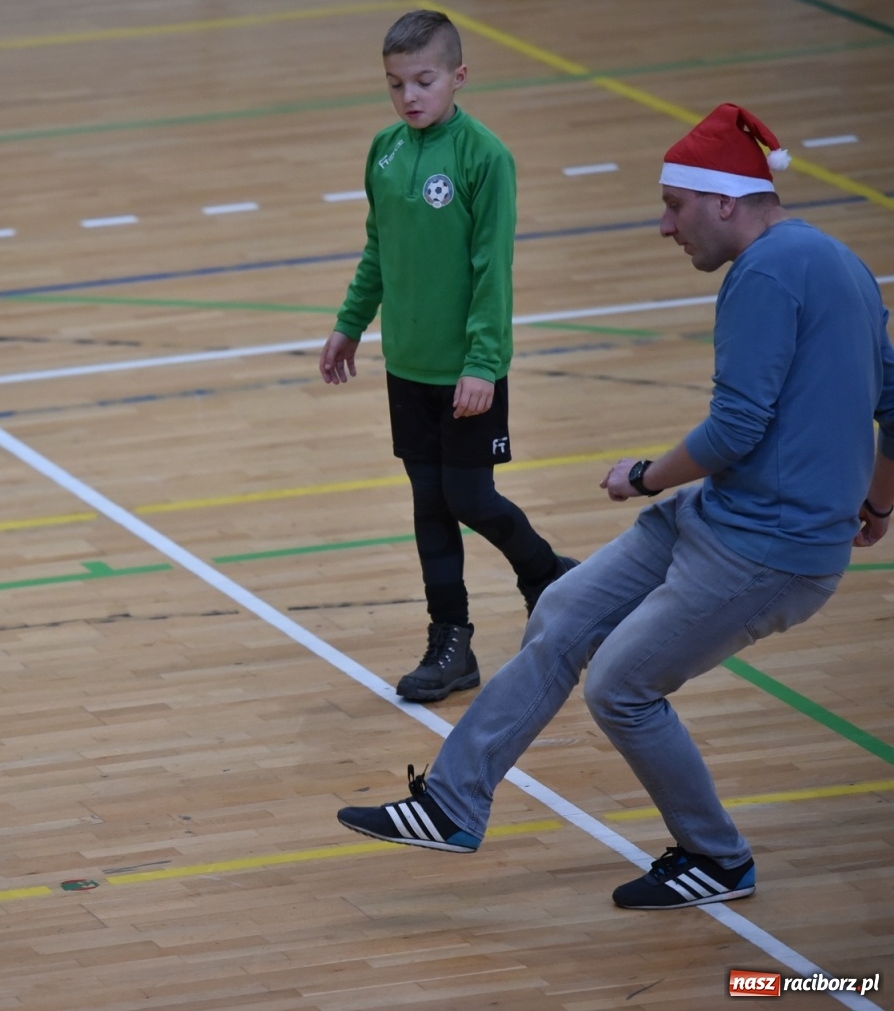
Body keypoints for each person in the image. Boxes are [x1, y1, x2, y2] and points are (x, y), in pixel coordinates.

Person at [335, 103, 894, 909]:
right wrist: (879, 503)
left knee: (622, 688)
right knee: (562, 610)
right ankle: (452, 804)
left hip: (767, 551)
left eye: (675, 206)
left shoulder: (763, 276)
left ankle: (718, 858)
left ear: (725, 201)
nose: (666, 227)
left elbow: (736, 428)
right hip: (719, 516)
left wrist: (645, 475)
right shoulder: (843, 261)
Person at [319, 9, 574, 703]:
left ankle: (549, 576)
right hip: (407, 366)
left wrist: (482, 364)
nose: (409, 96)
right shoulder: (384, 151)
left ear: (459, 76)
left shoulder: (485, 157)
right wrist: (349, 324)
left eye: (424, 81)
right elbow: (378, 249)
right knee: (429, 503)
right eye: (395, 83)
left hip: (467, 372)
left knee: (470, 497)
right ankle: (451, 641)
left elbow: (493, 271)